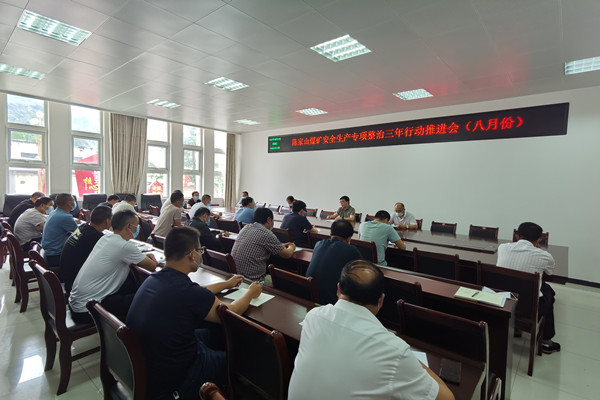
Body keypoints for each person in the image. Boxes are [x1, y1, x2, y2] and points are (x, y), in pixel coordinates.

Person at [127, 227, 262, 399]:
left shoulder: (155, 279)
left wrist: (227, 284)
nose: (200, 254)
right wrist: (250, 292)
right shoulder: (187, 291)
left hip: (153, 362)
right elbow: (231, 312)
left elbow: (197, 291)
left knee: (214, 333)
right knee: (233, 356)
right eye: (199, 250)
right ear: (192, 255)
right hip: (177, 379)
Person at [288, 260, 454, 400]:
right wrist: (412, 361)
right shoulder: (394, 350)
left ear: (338, 290)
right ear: (381, 301)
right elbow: (447, 397)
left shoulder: (314, 316)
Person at [68, 210, 158, 322]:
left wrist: (140, 256)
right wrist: (149, 259)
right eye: (137, 225)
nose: (138, 228)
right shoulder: (124, 246)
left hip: (77, 305)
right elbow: (152, 266)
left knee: (133, 287)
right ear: (129, 226)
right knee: (150, 297)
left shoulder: (105, 239)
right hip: (88, 310)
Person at [497, 222, 560, 354]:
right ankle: (546, 341)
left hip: (503, 300)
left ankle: (516, 328)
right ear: (539, 240)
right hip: (528, 307)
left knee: (545, 289)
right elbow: (549, 272)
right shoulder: (545, 256)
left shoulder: (503, 248)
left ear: (517, 235)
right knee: (549, 294)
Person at [231, 207, 295, 284]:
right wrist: (292, 247)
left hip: (236, 277)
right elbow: (287, 254)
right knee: (284, 282)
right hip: (254, 281)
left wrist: (280, 245)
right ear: (269, 220)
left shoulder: (246, 227)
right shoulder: (266, 233)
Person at [59, 206, 113, 296]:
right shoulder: (95, 237)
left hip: (68, 278)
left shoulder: (82, 228)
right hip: (77, 285)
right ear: (107, 221)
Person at [305, 220, 362, 304]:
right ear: (349, 238)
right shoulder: (352, 250)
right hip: (331, 301)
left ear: (330, 233)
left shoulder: (318, 244)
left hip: (308, 294)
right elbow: (361, 271)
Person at [41, 193, 78, 271]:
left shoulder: (54, 212)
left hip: (48, 252)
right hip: (56, 256)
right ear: (69, 203)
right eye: (73, 201)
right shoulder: (65, 217)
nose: (75, 203)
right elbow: (79, 234)